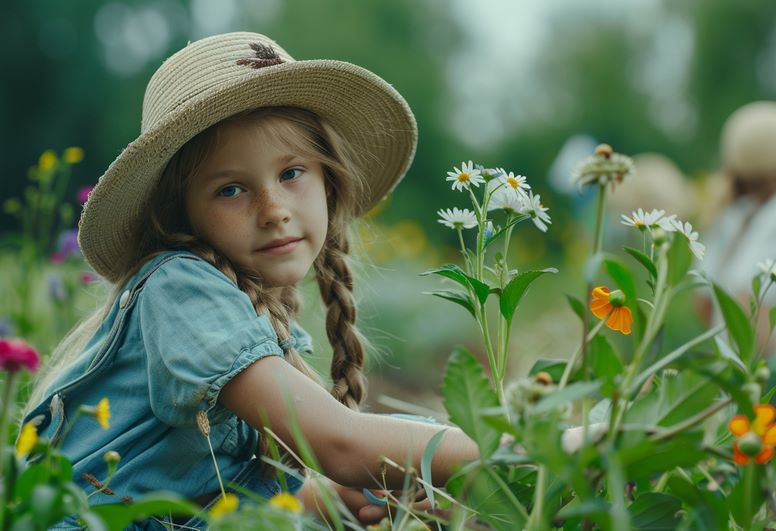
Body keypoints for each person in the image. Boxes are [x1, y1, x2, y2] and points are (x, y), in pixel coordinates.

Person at [20, 32, 478, 530]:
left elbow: (214, 503)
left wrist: (331, 503)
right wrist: (518, 450)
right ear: (181, 214)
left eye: (291, 173)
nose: (273, 211)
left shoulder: (248, 315)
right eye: (231, 189)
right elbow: (340, 444)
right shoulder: (180, 289)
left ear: (328, 181)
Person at [699, 101, 776, 419]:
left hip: (730, 399)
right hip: (769, 401)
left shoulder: (732, 217)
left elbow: (704, 303)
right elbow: (748, 297)